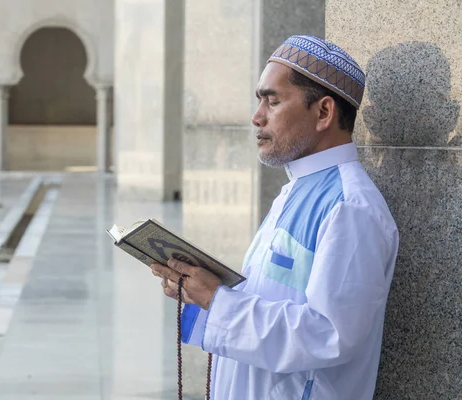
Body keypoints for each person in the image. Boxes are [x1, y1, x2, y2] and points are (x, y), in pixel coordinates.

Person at [151, 35, 399, 400]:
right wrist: (198, 289)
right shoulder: (296, 190)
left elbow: (329, 336)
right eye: (259, 101)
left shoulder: (350, 208)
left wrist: (218, 301)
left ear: (324, 113)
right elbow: (268, 301)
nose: (257, 117)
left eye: (273, 100)